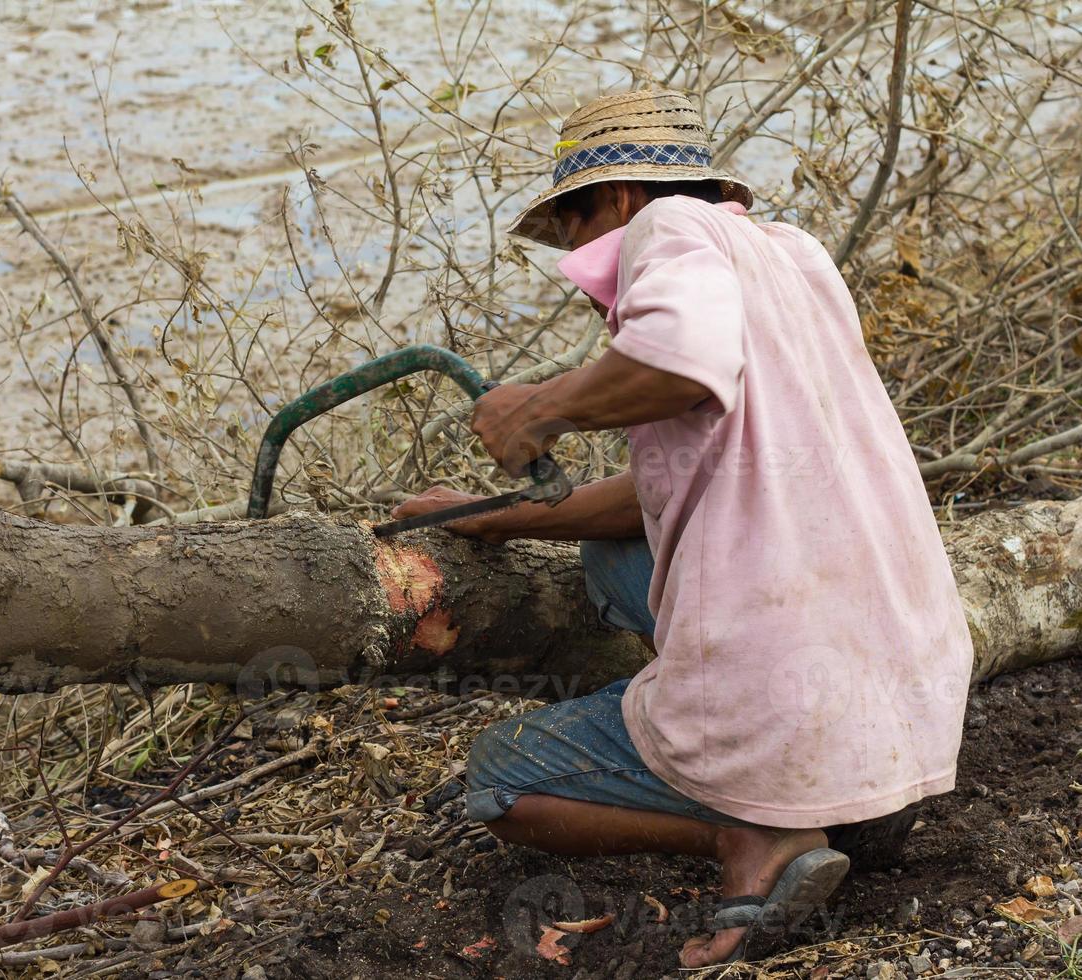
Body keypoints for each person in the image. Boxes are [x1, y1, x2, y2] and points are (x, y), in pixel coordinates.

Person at [391, 89, 973, 966]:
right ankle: (841, 793)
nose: (580, 256)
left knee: (499, 779)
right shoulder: (793, 255)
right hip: (913, 688)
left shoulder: (670, 230)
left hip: (785, 684)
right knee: (610, 557)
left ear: (621, 200)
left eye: (575, 224)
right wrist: (494, 520)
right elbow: (662, 490)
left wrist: (537, 412)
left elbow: (677, 362)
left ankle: (755, 833)